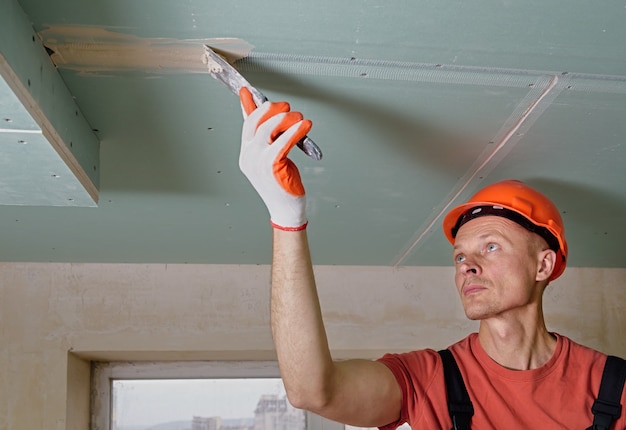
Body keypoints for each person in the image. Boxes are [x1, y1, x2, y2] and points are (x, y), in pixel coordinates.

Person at [237, 87, 626, 429]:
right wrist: (286, 216)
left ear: (543, 265)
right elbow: (313, 393)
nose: (468, 266)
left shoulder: (614, 387)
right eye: (460, 257)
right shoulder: (429, 379)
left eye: (490, 247)